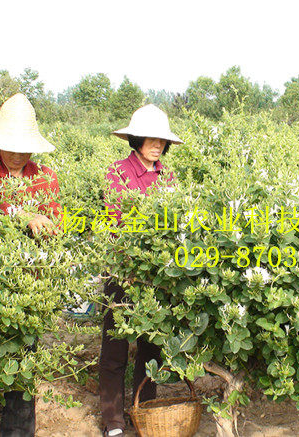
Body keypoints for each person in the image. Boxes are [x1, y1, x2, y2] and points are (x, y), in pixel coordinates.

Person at [0, 93, 60, 437]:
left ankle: (18, 428)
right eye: (11, 145)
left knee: (22, 348)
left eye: (24, 146)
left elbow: (53, 219)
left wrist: (45, 224)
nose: (18, 153)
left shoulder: (45, 175)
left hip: (26, 278)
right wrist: (26, 214)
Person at [100, 104, 183, 437]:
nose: (157, 145)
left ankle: (143, 412)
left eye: (162, 140)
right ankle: (113, 421)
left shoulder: (169, 177)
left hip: (156, 275)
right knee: (115, 346)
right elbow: (116, 221)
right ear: (137, 138)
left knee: (151, 347)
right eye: (152, 138)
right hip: (123, 269)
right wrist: (134, 258)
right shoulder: (118, 172)